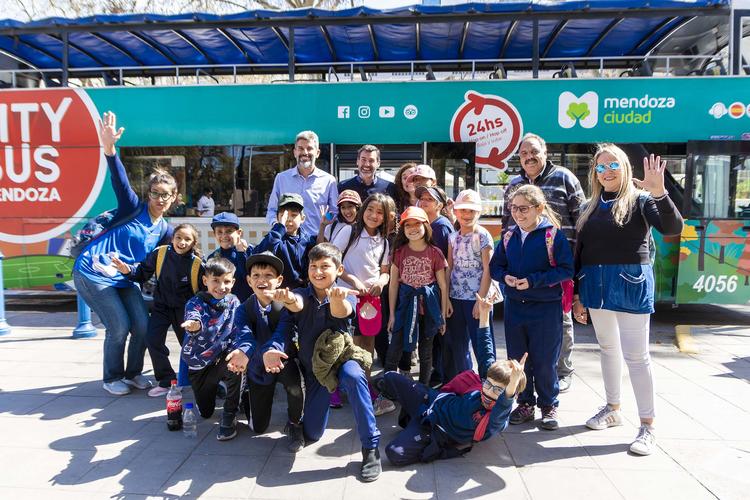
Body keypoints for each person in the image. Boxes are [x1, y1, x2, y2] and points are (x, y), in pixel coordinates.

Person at [573, 145, 683, 455]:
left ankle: (647, 425)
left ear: (624, 167)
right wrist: (578, 294)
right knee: (607, 349)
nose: (606, 171)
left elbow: (673, 228)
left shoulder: (642, 200)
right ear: (595, 174)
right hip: (596, 286)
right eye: (600, 167)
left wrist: (660, 192)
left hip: (631, 284)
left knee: (637, 357)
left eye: (612, 165)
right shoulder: (588, 206)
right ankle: (613, 408)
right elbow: (580, 252)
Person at [73, 111, 174, 396]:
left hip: (125, 278)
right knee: (119, 326)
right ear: (148, 194)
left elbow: (171, 258)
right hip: (92, 272)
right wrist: (109, 148)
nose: (160, 198)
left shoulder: (166, 229)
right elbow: (119, 178)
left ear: (174, 197)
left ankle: (133, 374)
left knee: (142, 325)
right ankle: (112, 376)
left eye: (166, 194)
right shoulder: (132, 208)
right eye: (155, 193)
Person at [263, 243, 382, 482]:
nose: (318, 272)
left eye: (324, 266)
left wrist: (336, 298)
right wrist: (286, 300)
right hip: (316, 371)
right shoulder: (300, 295)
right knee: (313, 433)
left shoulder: (342, 294)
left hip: (341, 362)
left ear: (338, 270)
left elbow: (342, 311)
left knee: (355, 376)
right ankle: (302, 424)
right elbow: (297, 304)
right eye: (313, 266)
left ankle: (371, 447)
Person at [381, 294, 527, 466]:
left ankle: (413, 422)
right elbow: (485, 351)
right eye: (488, 384)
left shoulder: (495, 421)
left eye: (497, 390)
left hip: (434, 429)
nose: (488, 391)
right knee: (389, 378)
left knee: (394, 453)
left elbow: (503, 406)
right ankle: (410, 414)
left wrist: (511, 386)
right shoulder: (486, 381)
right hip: (433, 400)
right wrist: (485, 314)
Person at [502, 133, 585, 393]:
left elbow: (581, 220)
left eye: (533, 152)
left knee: (561, 318)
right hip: (524, 267)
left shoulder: (565, 178)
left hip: (559, 264)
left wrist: (576, 261)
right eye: (523, 153)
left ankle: (562, 370)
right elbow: (508, 226)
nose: (529, 157)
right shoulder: (514, 184)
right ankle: (528, 382)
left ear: (545, 152)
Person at [491, 184, 574, 430]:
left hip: (546, 309)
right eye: (514, 208)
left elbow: (566, 270)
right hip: (515, 308)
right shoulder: (509, 236)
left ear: (539, 208)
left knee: (545, 360)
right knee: (518, 360)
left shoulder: (553, 235)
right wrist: (505, 277)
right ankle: (525, 403)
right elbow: (496, 266)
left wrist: (534, 281)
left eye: (524, 209)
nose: (518, 214)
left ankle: (549, 405)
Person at [111, 223, 204, 397]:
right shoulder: (160, 253)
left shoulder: (198, 264)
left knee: (190, 347)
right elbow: (141, 272)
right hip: (161, 306)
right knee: (152, 339)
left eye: (187, 239)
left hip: (185, 311)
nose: (182, 242)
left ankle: (196, 379)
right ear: (172, 238)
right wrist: (127, 270)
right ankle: (166, 380)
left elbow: (205, 292)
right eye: (178, 237)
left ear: (193, 243)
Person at [330, 193, 395, 416]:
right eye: (370, 210)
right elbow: (333, 260)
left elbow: (385, 272)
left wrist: (380, 282)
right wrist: (353, 280)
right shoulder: (349, 232)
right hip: (347, 298)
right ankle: (334, 387)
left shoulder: (384, 241)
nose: (374, 215)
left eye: (380, 212)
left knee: (367, 344)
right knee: (345, 344)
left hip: (370, 302)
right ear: (363, 210)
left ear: (386, 217)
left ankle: (364, 384)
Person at [234, 252, 304, 452]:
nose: (262, 280)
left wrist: (272, 350)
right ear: (248, 280)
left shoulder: (285, 306)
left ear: (279, 280)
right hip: (257, 363)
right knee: (258, 427)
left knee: (294, 386)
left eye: (268, 275)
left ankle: (295, 422)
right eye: (256, 276)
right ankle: (247, 400)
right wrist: (243, 352)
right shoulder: (244, 309)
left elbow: (284, 332)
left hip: (282, 360)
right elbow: (244, 336)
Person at [181, 257, 249, 441]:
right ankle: (217, 386)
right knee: (205, 412)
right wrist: (194, 325)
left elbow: (240, 326)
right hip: (199, 361)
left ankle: (230, 413)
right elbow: (194, 317)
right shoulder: (195, 303)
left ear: (233, 282)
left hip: (224, 356)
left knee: (237, 365)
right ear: (205, 281)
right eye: (215, 281)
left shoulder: (234, 301)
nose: (221, 286)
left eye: (226, 281)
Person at [386, 207, 449, 385]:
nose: (413, 228)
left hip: (428, 309)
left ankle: (423, 390)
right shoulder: (399, 252)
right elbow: (393, 285)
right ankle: (388, 388)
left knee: (426, 351)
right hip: (405, 307)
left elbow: (443, 286)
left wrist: (442, 317)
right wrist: (391, 314)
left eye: (417, 224)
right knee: (395, 348)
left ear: (426, 226)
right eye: (408, 225)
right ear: (403, 230)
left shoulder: (435, 252)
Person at [445, 189, 495, 382]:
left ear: (479, 212)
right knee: (459, 345)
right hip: (456, 298)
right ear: (456, 212)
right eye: (463, 210)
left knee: (482, 342)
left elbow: (487, 270)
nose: (467, 215)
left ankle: (488, 383)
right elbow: (449, 268)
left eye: (471, 211)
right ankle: (465, 383)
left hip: (477, 300)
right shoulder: (452, 237)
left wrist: (480, 300)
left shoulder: (483, 236)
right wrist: (446, 299)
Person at [416, 186, 455, 387]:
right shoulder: (427, 224)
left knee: (439, 335)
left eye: (428, 199)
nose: (423, 202)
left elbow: (443, 263)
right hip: (428, 289)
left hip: (438, 289)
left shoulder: (441, 226)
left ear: (439, 204)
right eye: (421, 198)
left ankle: (440, 377)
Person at [266, 130, 338, 237]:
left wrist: (326, 218)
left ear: (317, 153)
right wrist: (277, 225)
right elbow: (272, 210)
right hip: (287, 241)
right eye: (300, 148)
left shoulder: (329, 181)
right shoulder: (281, 178)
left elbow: (335, 212)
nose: (305, 152)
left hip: (316, 241)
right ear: (295, 152)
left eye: (309, 148)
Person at [254, 193, 316, 290]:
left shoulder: (308, 240)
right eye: (284, 215)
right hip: (279, 292)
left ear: (302, 218)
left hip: (304, 292)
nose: (288, 219)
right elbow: (261, 253)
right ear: (278, 218)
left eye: (294, 215)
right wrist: (280, 228)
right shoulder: (274, 238)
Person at [207, 212, 253, 303]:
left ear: (239, 233)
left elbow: (248, 278)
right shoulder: (213, 257)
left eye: (229, 231)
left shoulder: (249, 252)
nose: (224, 236)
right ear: (214, 234)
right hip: (223, 308)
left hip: (247, 306)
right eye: (219, 232)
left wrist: (241, 253)